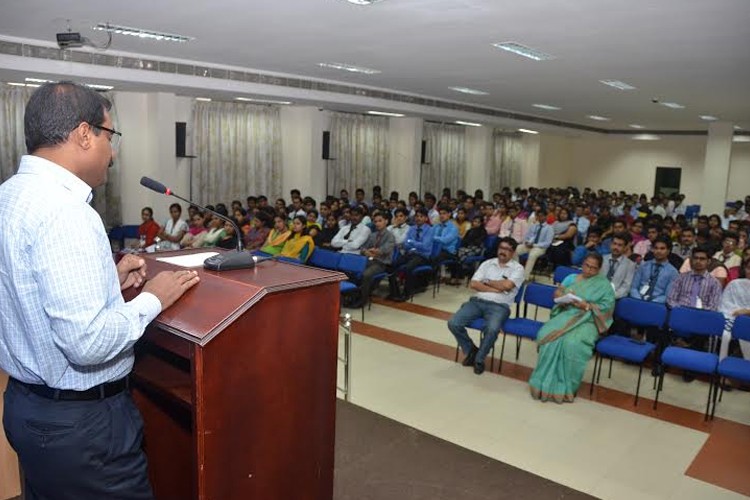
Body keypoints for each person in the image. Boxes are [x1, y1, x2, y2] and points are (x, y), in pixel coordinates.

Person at [0, 81, 200, 499]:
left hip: (27, 406)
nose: (114, 151)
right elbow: (87, 343)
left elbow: (29, 288)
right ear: (85, 134)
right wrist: (153, 298)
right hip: (82, 427)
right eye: (112, 136)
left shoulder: (10, 196)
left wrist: (107, 280)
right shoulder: (66, 211)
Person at [528, 253, 615, 403]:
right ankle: (541, 385)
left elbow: (607, 309)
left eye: (593, 268)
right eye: (587, 266)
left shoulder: (605, 285)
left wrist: (587, 306)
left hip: (589, 320)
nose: (589, 270)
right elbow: (557, 293)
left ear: (599, 270)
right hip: (566, 313)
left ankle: (566, 388)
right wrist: (563, 297)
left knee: (572, 343)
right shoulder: (571, 278)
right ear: (583, 264)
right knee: (547, 336)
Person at [448, 237, 525, 375]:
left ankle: (479, 359)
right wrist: (497, 287)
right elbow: (473, 284)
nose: (503, 251)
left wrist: (487, 281)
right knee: (453, 323)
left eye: (507, 249)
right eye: (501, 248)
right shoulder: (487, 264)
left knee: (492, 328)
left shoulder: (518, 269)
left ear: (513, 253)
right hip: (477, 301)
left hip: (499, 306)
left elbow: (507, 285)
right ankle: (471, 350)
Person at [353, 212, 396, 307]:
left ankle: (363, 300)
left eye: (380, 221)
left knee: (366, 274)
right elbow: (363, 247)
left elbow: (386, 250)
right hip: (369, 260)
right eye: (375, 221)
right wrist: (365, 252)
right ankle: (354, 294)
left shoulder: (390, 236)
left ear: (386, 221)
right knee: (354, 269)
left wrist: (375, 251)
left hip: (381, 263)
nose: (377, 223)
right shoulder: (373, 235)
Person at [630, 236, 679, 303]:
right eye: (656, 248)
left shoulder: (673, 272)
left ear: (668, 251)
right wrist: (639, 300)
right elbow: (633, 288)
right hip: (637, 300)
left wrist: (651, 303)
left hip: (657, 305)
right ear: (652, 249)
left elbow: (668, 296)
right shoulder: (643, 266)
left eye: (662, 248)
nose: (658, 251)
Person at [719, 257, 750, 362]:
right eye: (749, 268)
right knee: (726, 331)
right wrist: (738, 315)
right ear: (744, 269)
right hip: (732, 317)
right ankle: (724, 362)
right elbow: (725, 304)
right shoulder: (734, 284)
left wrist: (748, 312)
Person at [515, 207, 554, 280]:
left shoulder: (549, 228)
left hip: (540, 248)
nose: (540, 217)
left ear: (546, 217)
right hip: (529, 245)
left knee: (532, 255)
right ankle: (517, 271)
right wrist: (526, 242)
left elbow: (547, 243)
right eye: (538, 216)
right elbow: (527, 236)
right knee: (516, 249)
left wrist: (534, 245)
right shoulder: (534, 225)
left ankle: (525, 277)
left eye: (542, 216)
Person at [599, 232, 636, 299]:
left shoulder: (630, 265)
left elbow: (626, 287)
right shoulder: (601, 259)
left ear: (625, 247)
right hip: (596, 293)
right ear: (610, 244)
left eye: (620, 245)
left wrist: (611, 296)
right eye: (614, 244)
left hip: (613, 298)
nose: (616, 247)